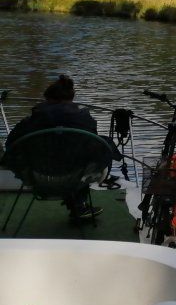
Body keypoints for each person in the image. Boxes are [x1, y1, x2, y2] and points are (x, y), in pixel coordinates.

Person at [3, 74, 107, 221]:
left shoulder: (31, 121)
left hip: (38, 178)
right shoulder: (85, 121)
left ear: (48, 99)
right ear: (71, 99)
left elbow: (10, 145)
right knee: (90, 159)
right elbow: (96, 151)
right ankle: (79, 205)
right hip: (75, 178)